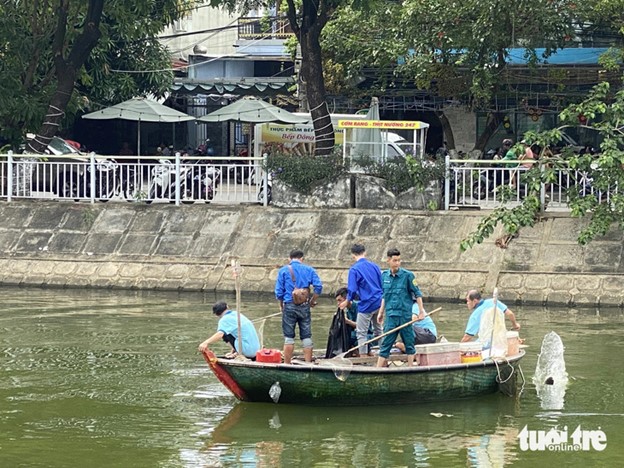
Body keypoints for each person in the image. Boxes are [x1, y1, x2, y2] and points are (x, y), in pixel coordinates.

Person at [376, 248, 426, 367]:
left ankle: (410, 367)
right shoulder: (384, 276)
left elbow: (418, 294)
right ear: (388, 260)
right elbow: (384, 296)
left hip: (404, 316)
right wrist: (381, 312)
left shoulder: (408, 276)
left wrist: (421, 311)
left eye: (399, 260)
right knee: (386, 343)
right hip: (391, 316)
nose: (397, 263)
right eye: (394, 260)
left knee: (409, 342)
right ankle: (378, 369)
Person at [275, 249, 323, 364]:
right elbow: (318, 287)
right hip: (304, 306)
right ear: (302, 259)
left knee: (289, 337)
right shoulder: (309, 269)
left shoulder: (283, 270)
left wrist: (281, 306)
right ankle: (307, 363)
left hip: (289, 305)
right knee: (306, 336)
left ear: (289, 259)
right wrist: (312, 301)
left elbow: (279, 293)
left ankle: (287, 364)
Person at [339, 244, 383, 356]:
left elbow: (352, 290)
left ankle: (363, 356)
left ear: (353, 255)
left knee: (361, 332)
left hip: (366, 304)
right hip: (379, 302)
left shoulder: (354, 269)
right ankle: (384, 353)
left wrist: (347, 301)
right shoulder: (375, 267)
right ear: (365, 253)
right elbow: (382, 284)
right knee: (379, 330)